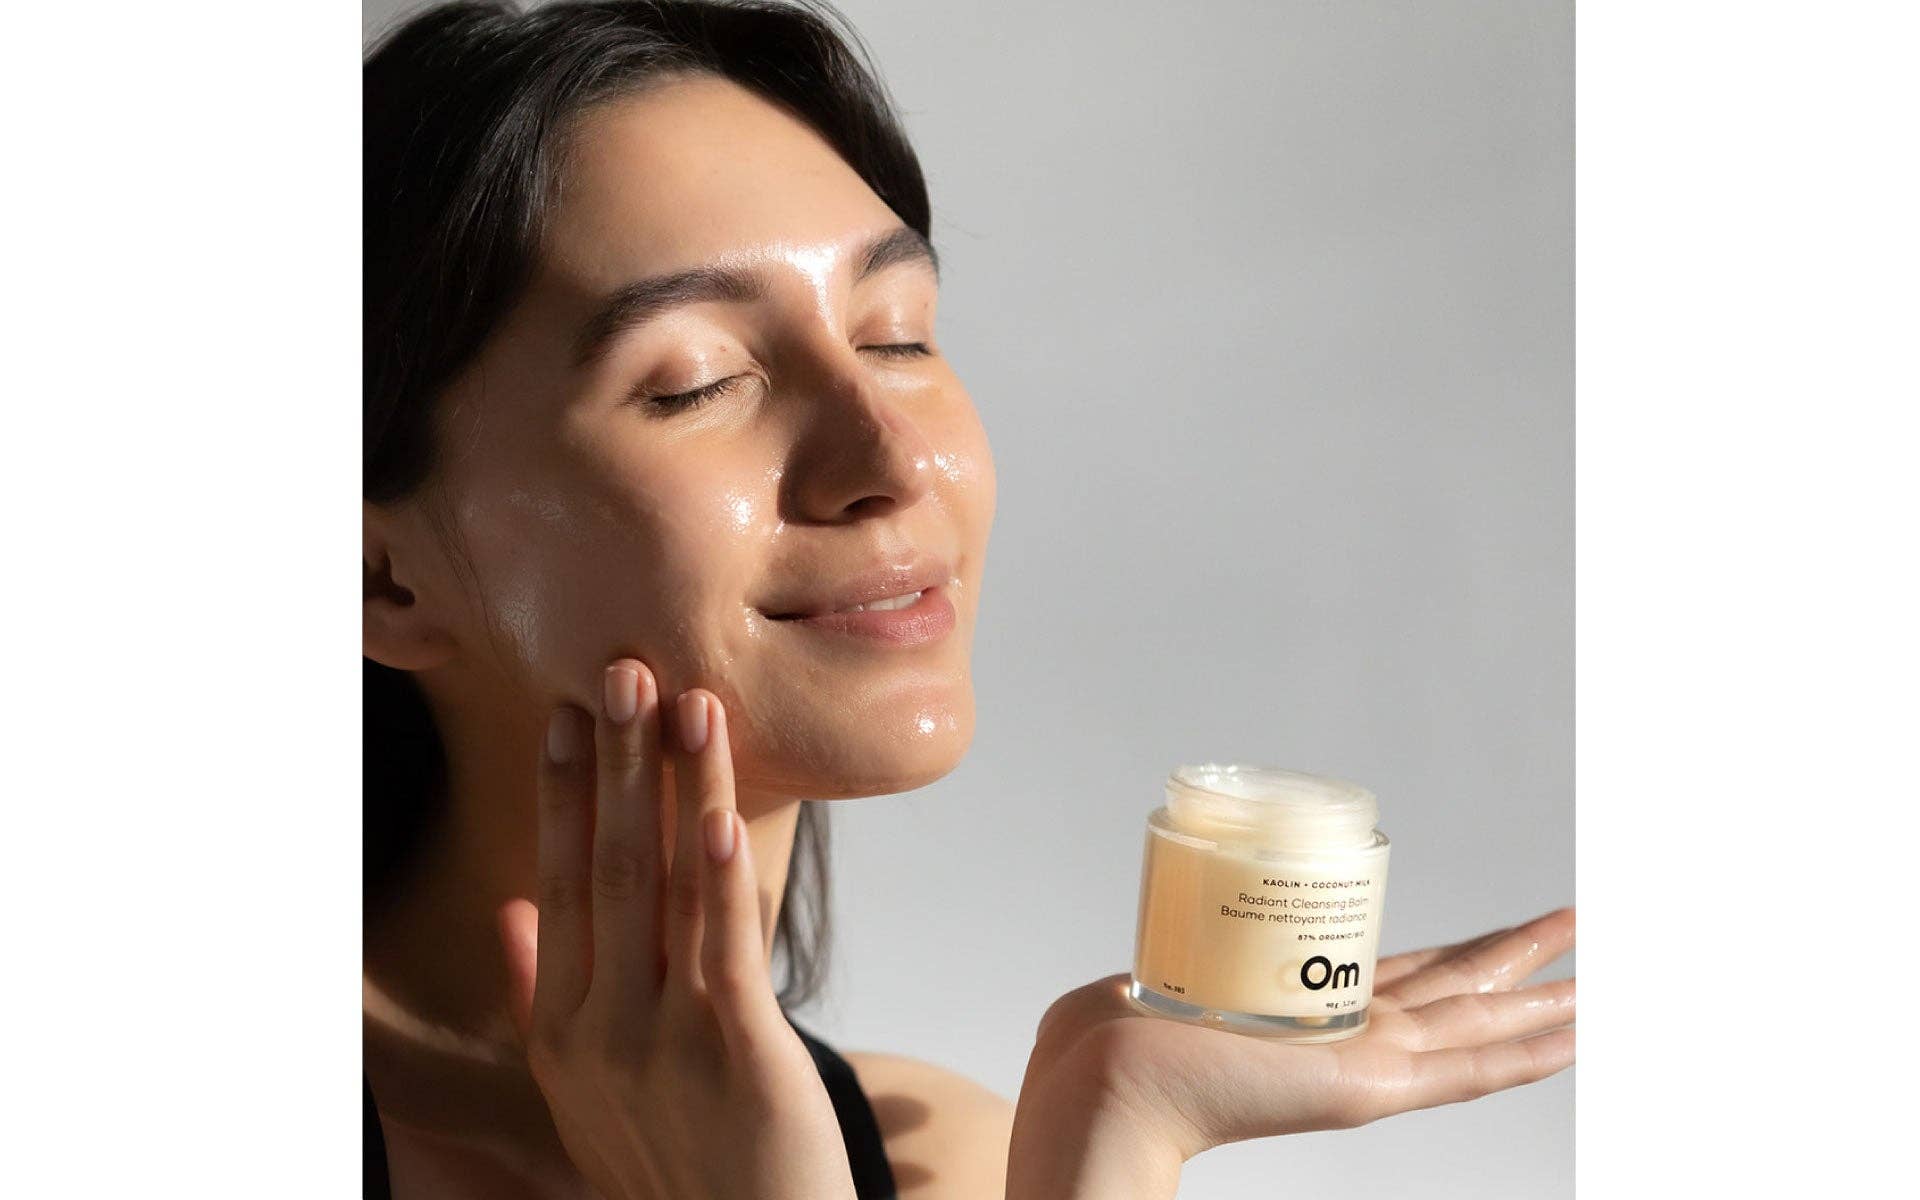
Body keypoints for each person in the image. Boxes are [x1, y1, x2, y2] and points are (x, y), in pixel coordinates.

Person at [362, 3, 1577, 1197]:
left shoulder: (946, 1152)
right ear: (381, 576)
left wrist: (1118, 1135)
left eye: (897, 337)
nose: (892, 463)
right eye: (697, 380)